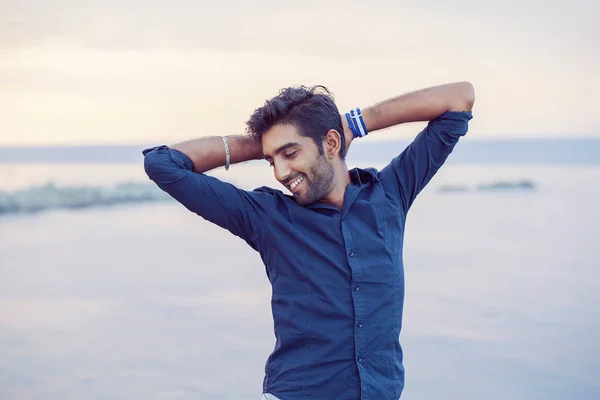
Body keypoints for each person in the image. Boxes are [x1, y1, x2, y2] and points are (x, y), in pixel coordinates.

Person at [143, 81, 475, 400]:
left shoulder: (390, 194)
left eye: (290, 153)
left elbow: (459, 97)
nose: (280, 172)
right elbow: (162, 164)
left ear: (331, 144)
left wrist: (355, 124)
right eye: (272, 160)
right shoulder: (268, 217)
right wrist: (260, 145)